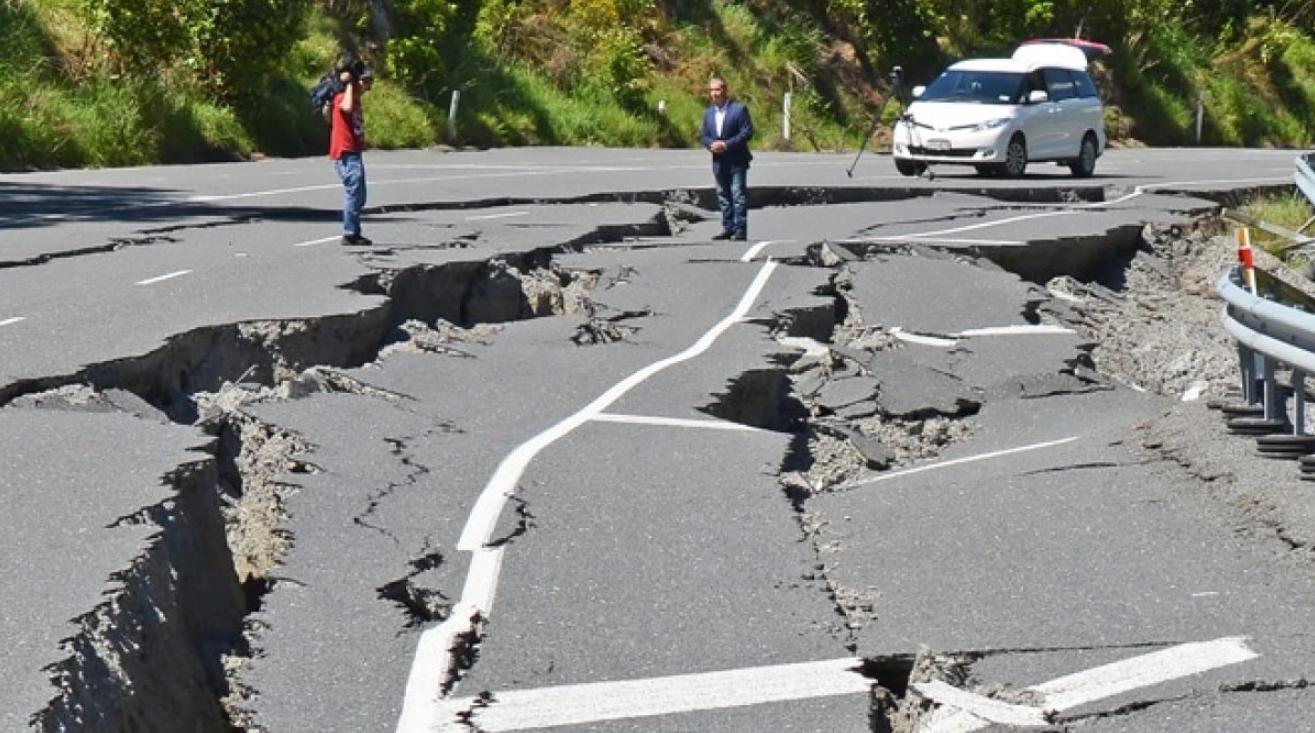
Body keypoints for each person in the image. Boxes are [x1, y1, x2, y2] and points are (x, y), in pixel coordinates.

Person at [699, 76, 753, 241]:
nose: (714, 94)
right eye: (712, 90)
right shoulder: (708, 113)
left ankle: (740, 229)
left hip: (736, 159)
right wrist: (711, 145)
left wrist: (726, 144)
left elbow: (747, 132)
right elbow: (704, 134)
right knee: (723, 195)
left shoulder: (739, 110)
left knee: (737, 194)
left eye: (717, 89)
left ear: (725, 90)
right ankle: (728, 227)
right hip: (718, 161)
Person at [330, 60, 374, 246]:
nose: (368, 86)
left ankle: (353, 231)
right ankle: (350, 233)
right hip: (346, 152)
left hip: (354, 152)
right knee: (354, 192)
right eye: (365, 81)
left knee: (360, 195)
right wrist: (348, 84)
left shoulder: (355, 99)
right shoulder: (343, 98)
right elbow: (345, 108)